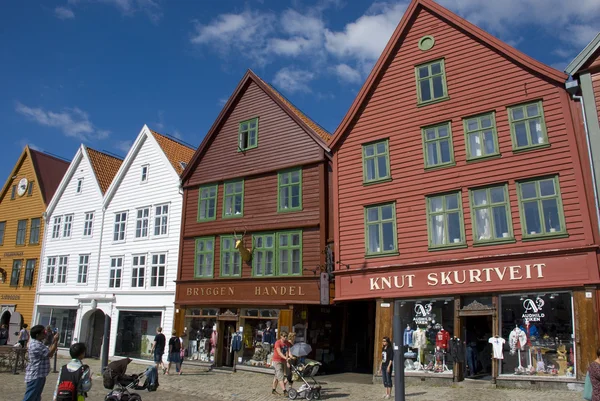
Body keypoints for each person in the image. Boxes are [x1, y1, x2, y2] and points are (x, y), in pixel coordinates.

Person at [22, 325, 59, 401]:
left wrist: (53, 343)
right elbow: (50, 354)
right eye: (43, 332)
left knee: (36, 397)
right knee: (30, 397)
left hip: (40, 374)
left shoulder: (39, 343)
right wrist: (55, 341)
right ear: (37, 335)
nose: (45, 334)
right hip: (36, 375)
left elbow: (49, 350)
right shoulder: (36, 345)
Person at [271, 331, 289, 397]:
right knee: (280, 375)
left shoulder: (287, 343)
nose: (285, 337)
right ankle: (284, 391)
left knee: (276, 376)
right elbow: (279, 353)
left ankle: (273, 390)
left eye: (286, 336)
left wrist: (287, 359)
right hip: (277, 361)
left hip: (283, 361)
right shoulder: (277, 343)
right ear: (281, 336)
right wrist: (285, 358)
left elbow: (287, 351)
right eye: (284, 336)